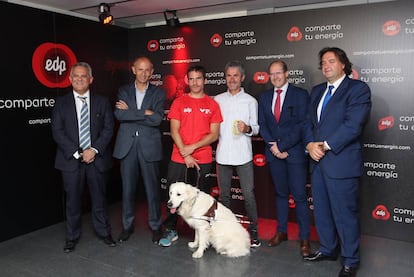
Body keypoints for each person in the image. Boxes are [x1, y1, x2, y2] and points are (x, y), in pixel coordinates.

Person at [302, 47, 371, 277]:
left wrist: (325, 145)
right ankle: (328, 249)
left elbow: (353, 125)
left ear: (343, 64)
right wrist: (310, 145)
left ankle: (351, 260)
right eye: (323, 62)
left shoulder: (358, 89)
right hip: (318, 162)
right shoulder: (317, 91)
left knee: (345, 214)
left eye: (331, 61)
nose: (326, 65)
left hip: (341, 163)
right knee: (321, 211)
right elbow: (308, 124)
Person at [51, 62, 116, 253]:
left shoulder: (102, 102)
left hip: (97, 159)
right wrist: (78, 152)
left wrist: (93, 150)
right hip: (70, 161)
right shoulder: (60, 103)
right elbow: (57, 131)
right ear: (70, 79)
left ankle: (104, 233)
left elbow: (108, 128)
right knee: (73, 201)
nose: (80, 79)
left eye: (83, 76)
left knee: (99, 199)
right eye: (76, 76)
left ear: (91, 79)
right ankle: (71, 237)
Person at [158, 65, 223, 247]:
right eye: (192, 79)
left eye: (198, 78)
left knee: (201, 198)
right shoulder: (179, 102)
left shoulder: (212, 104)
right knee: (172, 197)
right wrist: (185, 153)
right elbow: (174, 130)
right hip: (179, 157)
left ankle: (201, 235)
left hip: (202, 158)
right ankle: (171, 230)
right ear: (187, 81)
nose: (195, 82)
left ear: (205, 80)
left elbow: (214, 134)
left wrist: (192, 148)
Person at [258, 60, 311, 258]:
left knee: (299, 196)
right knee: (280, 194)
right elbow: (262, 124)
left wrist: (283, 146)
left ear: (287, 74)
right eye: (271, 74)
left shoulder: (300, 94)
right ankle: (281, 232)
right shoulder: (264, 97)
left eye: (278, 73)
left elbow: (302, 125)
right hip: (274, 153)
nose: (275, 77)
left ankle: (305, 238)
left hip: (294, 153)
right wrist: (274, 146)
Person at [113, 56, 165, 244]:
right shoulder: (123, 90)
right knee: (127, 190)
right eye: (140, 69)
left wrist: (131, 112)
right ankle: (127, 227)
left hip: (149, 147)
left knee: (152, 190)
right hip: (127, 146)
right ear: (133, 70)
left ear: (152, 72)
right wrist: (145, 113)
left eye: (147, 70)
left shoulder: (158, 93)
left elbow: (158, 119)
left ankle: (156, 226)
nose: (144, 73)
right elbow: (119, 114)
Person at [214, 60, 261, 248]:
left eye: (236, 76)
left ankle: (254, 232)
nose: (232, 79)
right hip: (223, 155)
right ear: (225, 78)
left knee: (248, 195)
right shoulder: (217, 100)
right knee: (224, 197)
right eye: (229, 75)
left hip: (243, 155)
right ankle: (224, 232)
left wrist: (247, 127)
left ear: (242, 78)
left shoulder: (250, 101)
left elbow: (256, 128)